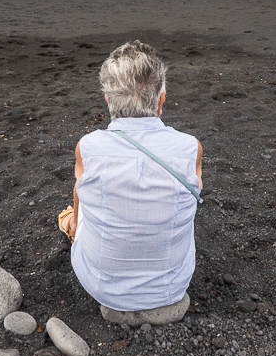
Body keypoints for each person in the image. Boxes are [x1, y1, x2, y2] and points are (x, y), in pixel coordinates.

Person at [56, 40, 202, 325]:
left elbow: (81, 194)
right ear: (160, 101)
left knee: (82, 194)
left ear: (108, 100)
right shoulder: (189, 148)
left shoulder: (88, 147)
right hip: (171, 286)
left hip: (103, 286)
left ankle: (71, 225)